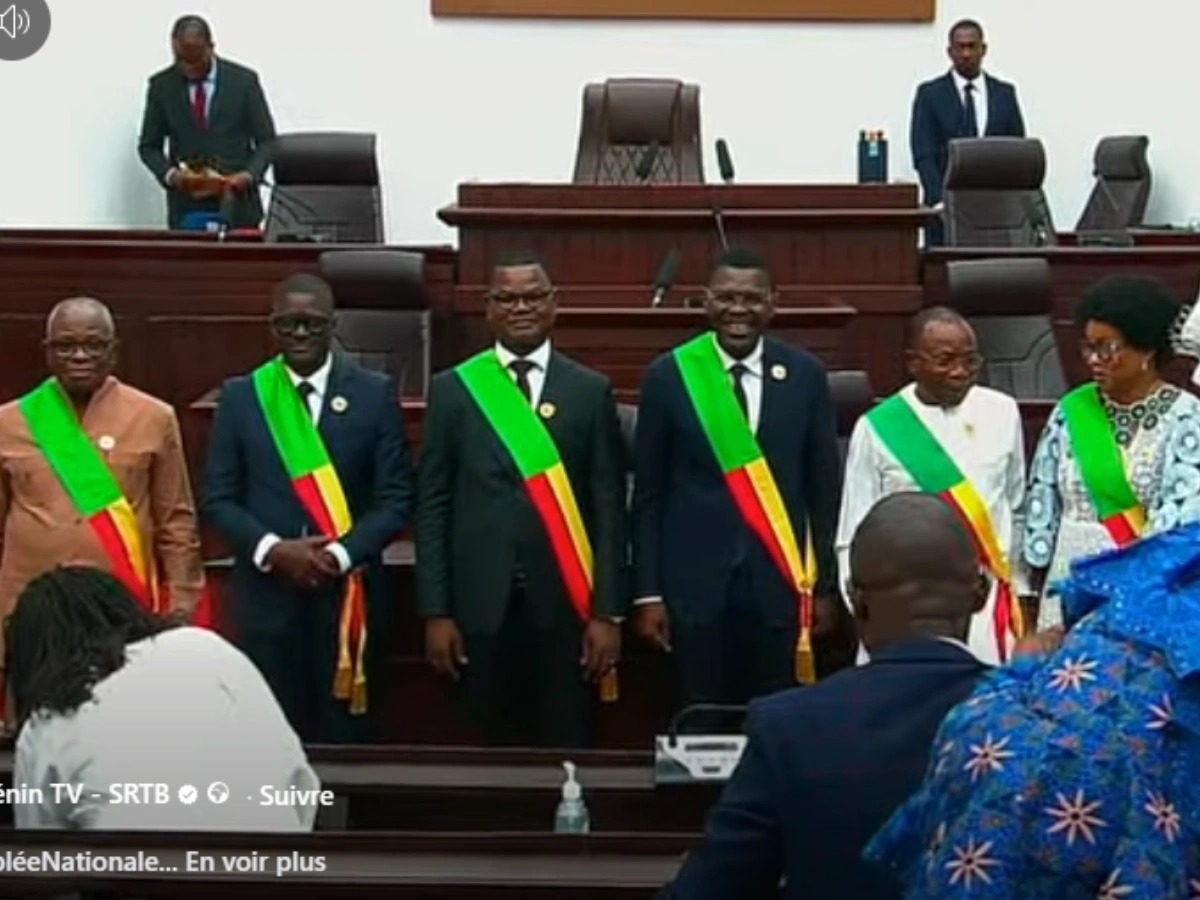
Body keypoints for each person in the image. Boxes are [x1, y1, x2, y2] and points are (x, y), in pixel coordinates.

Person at [660, 493, 990, 900]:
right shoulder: (1035, 716)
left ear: (856, 602)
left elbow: (710, 892)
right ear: (981, 595)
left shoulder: (790, 727)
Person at [866, 521, 1200, 897]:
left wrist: (1021, 674)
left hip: (994, 744)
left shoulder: (1177, 552)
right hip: (1117, 799)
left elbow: (1064, 632)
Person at [416, 252, 626, 749]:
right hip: (477, 608)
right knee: (485, 748)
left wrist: (607, 613)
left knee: (567, 745)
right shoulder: (453, 390)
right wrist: (436, 612)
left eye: (532, 297)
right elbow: (433, 506)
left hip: (566, 606)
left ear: (554, 306)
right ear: (488, 309)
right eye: (506, 298)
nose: (520, 308)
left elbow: (609, 508)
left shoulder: (589, 390)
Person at [632, 247, 843, 722]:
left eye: (752, 298)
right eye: (726, 297)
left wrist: (825, 588)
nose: (738, 309)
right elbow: (648, 495)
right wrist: (648, 593)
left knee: (778, 722)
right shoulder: (668, 376)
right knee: (699, 725)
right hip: (693, 589)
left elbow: (823, 492)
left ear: (773, 303)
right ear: (705, 301)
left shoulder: (806, 375)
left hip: (782, 586)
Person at [203, 273, 414, 743]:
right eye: (289, 324)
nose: (300, 334)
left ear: (333, 325)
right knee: (267, 737)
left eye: (312, 324)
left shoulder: (372, 393)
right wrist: (275, 550)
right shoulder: (242, 397)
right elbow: (218, 498)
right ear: (272, 327)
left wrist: (339, 555)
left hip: (347, 597)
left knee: (345, 739)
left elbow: (396, 498)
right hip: (265, 598)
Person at [8, 566, 319, 831]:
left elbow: (41, 853)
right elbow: (296, 775)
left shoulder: (46, 723)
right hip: (278, 866)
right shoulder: (206, 647)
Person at [0, 297, 204, 663]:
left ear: (113, 352)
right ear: (47, 352)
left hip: (122, 604)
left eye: (93, 345)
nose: (79, 356)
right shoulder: (9, 422)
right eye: (66, 346)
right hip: (30, 606)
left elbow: (176, 519)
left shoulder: (154, 417)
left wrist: (182, 600)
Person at [837, 307, 1029, 664]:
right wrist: (863, 612)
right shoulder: (877, 427)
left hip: (981, 599)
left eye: (970, 361)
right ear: (913, 363)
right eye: (945, 360)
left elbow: (1015, 507)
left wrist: (1017, 589)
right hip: (896, 606)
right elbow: (853, 530)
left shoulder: (1003, 412)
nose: (960, 372)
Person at [1024, 275, 1200, 629]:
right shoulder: (1070, 411)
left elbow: (1180, 521)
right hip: (1067, 579)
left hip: (1142, 589)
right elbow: (1040, 506)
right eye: (1088, 346)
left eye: (1107, 347)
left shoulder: (1188, 418)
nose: (1093, 359)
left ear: (1146, 348)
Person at [137, 15, 276, 230]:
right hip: (187, 209)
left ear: (211, 48)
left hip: (239, 205)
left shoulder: (243, 82)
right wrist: (172, 176)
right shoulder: (161, 86)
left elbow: (267, 142)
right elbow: (149, 146)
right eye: (181, 60)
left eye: (195, 60)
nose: (188, 68)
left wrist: (249, 175)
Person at [910, 19, 1026, 243]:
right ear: (949, 51)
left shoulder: (1004, 94)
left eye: (972, 46)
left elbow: (1017, 154)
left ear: (984, 49)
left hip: (996, 215)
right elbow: (923, 154)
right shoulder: (930, 94)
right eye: (960, 47)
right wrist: (939, 201)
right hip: (945, 213)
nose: (966, 54)